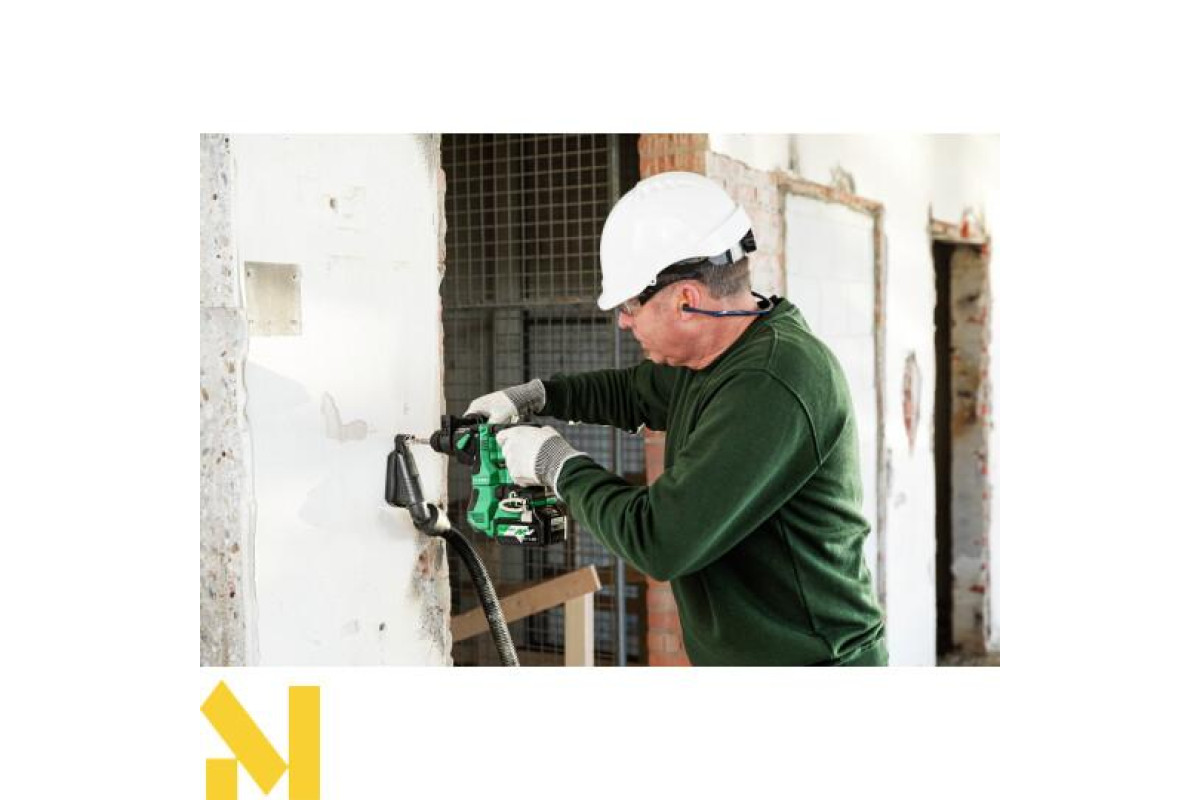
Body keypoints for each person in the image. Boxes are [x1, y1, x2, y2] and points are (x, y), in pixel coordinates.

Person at [466, 171, 887, 666]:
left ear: (686, 300)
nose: (623, 321)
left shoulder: (771, 381)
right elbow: (633, 392)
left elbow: (660, 540)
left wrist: (554, 463)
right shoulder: (718, 356)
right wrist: (537, 396)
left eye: (630, 305)